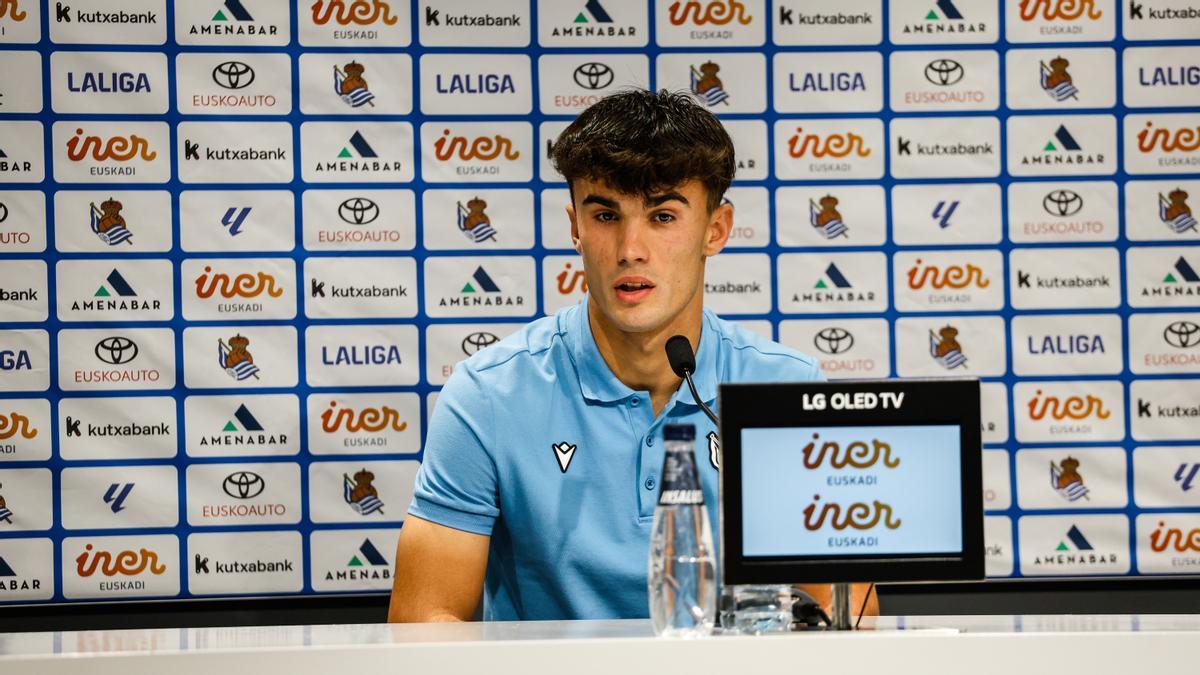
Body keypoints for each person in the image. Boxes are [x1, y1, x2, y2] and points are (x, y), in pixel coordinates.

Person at [388, 89, 877, 622]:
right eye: (605, 215)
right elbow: (426, 624)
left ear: (715, 231)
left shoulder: (786, 387)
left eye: (663, 216)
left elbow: (843, 615)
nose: (629, 249)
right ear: (575, 225)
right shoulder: (487, 395)